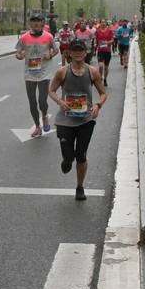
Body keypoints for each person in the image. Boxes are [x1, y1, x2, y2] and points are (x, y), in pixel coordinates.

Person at [48, 40, 108, 201]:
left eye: (80, 51)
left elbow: (103, 93)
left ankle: (80, 187)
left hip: (85, 120)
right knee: (69, 157)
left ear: (85, 52)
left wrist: (97, 105)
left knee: (81, 154)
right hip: (65, 120)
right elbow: (52, 91)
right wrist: (60, 102)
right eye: (74, 51)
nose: (78, 53)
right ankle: (67, 160)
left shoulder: (92, 72)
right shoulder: (62, 72)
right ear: (69, 53)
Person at [15, 12, 57, 138]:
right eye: (33, 20)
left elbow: (56, 50)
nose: (35, 23)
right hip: (30, 73)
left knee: (42, 101)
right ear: (30, 23)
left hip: (44, 72)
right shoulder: (24, 37)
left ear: (42, 23)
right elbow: (17, 52)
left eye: (38, 20)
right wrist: (19, 56)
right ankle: (37, 127)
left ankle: (44, 116)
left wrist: (50, 55)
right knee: (32, 102)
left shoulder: (49, 37)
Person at [94, 18, 116, 83]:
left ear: (106, 23)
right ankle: (100, 77)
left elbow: (112, 40)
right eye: (102, 22)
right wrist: (95, 44)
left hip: (107, 51)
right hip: (100, 51)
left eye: (104, 22)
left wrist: (107, 42)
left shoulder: (109, 31)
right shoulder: (97, 31)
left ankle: (105, 79)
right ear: (100, 23)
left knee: (106, 67)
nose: (103, 23)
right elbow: (96, 39)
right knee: (100, 66)